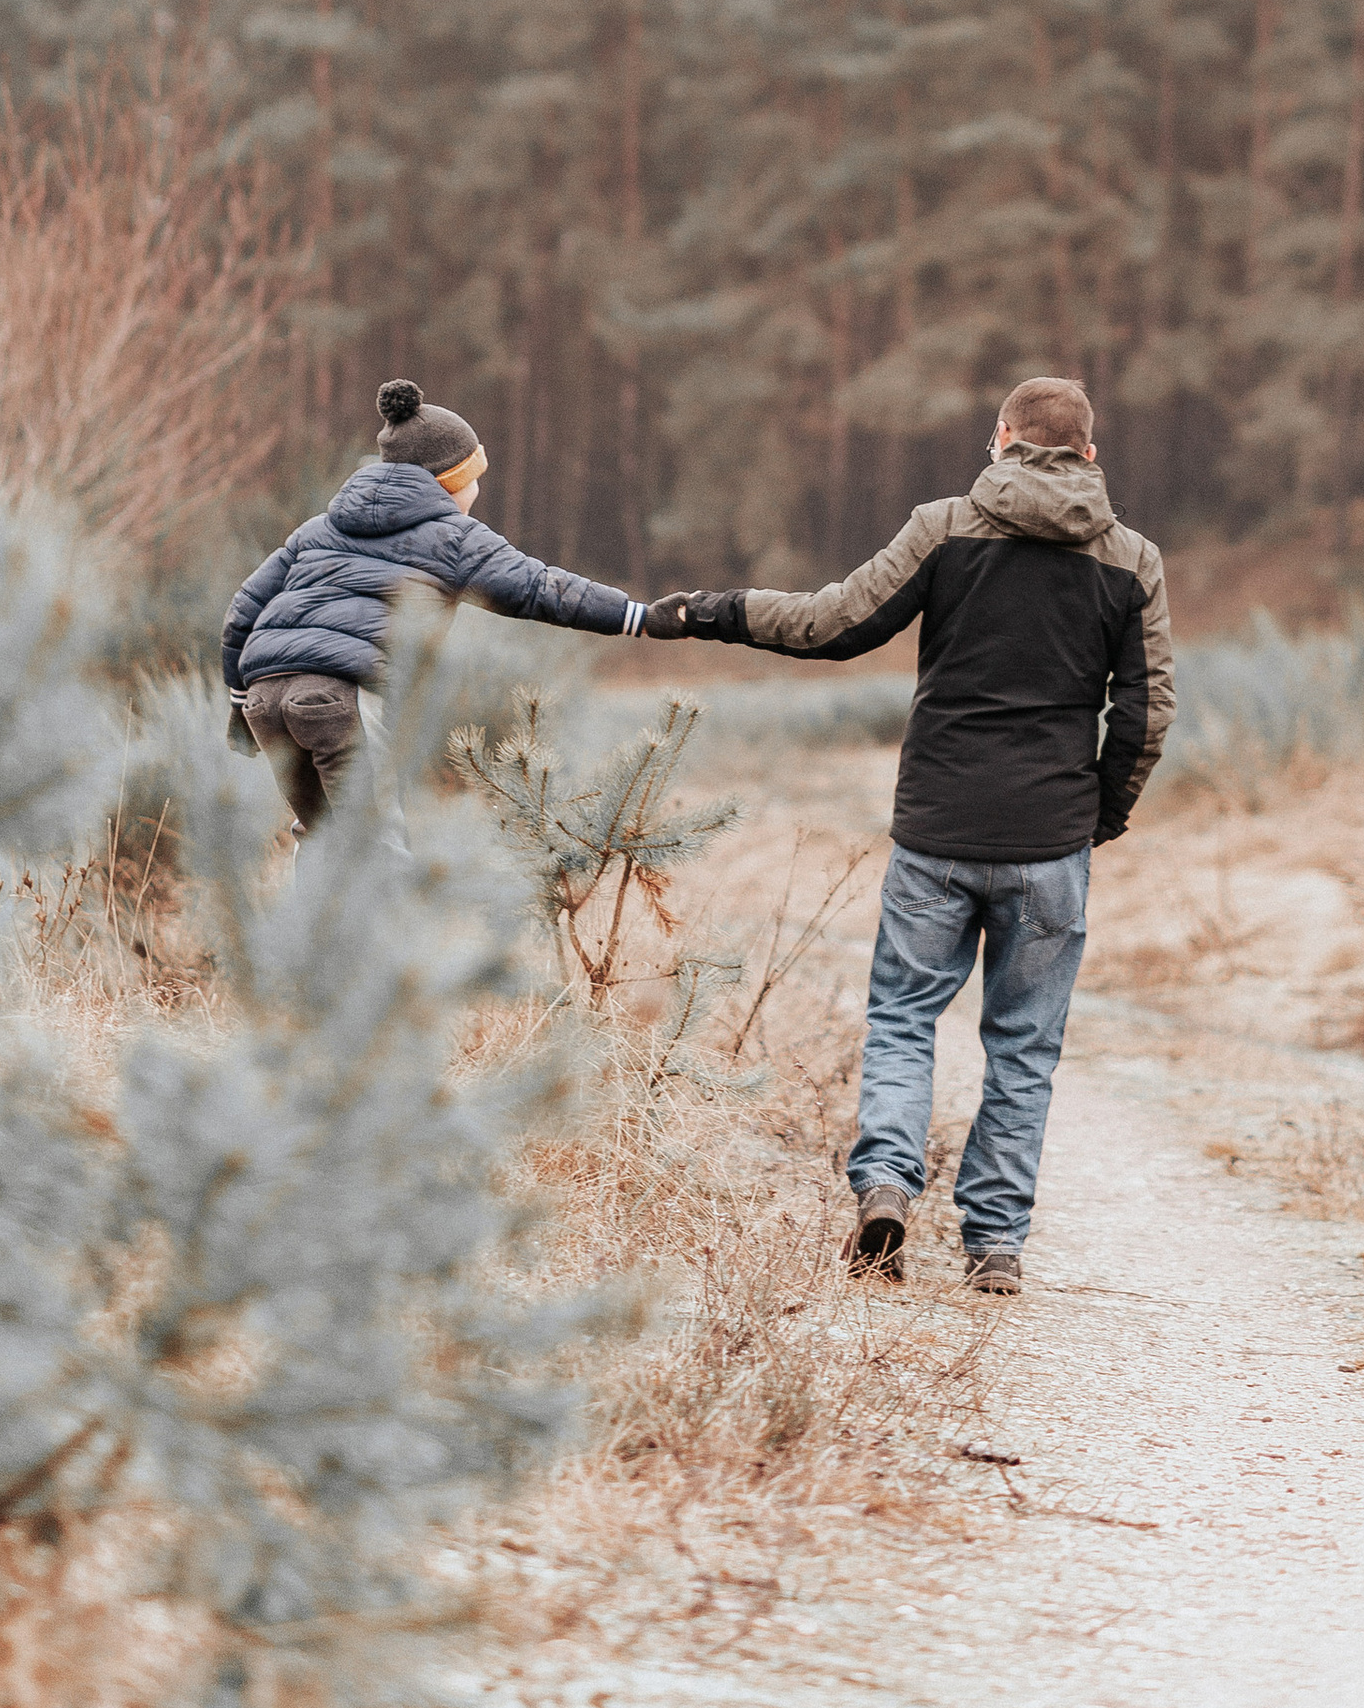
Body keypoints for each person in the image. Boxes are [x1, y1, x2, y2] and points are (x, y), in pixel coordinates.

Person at [645, 374, 1172, 1297]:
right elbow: (1144, 712)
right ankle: (996, 1245)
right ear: (1089, 455)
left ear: (1000, 439)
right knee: (1024, 1049)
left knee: (902, 1021)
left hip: (936, 830)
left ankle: (886, 1184)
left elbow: (832, 625)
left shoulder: (946, 526)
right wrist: (1102, 814)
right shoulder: (1133, 560)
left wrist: (714, 609)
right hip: (1050, 844)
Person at [224, 376, 652, 832]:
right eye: (474, 478)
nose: (477, 491)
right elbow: (539, 587)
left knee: (319, 839)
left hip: (264, 700)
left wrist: (239, 706)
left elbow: (242, 613)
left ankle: (303, 908)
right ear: (451, 481)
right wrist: (638, 616)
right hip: (340, 698)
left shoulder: (316, 530)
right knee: (376, 846)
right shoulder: (452, 536)